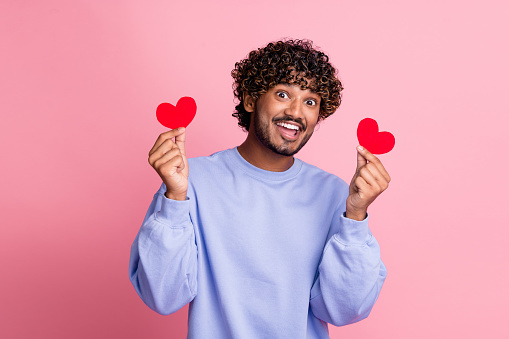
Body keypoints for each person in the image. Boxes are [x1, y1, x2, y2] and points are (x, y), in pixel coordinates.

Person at [129, 39, 390, 339]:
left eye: (310, 101)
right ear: (251, 100)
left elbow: (344, 310)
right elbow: (162, 296)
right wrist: (174, 198)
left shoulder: (335, 194)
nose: (295, 112)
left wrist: (356, 216)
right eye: (283, 94)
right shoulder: (191, 181)